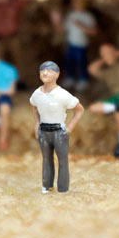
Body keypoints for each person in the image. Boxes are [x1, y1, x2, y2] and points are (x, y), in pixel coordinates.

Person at [30, 61, 85, 194]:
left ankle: (63, 188)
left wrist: (70, 128)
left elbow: (80, 110)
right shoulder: (37, 93)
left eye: (49, 71)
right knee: (46, 160)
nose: (45, 73)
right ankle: (47, 186)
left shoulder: (63, 94)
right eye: (42, 70)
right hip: (43, 131)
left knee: (62, 161)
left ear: (57, 74)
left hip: (59, 132)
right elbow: (34, 106)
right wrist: (37, 123)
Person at [88, 44, 119, 157]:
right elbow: (91, 69)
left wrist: (116, 53)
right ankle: (115, 107)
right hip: (115, 99)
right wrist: (103, 59)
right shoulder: (107, 72)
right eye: (103, 54)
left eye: (107, 53)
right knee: (93, 107)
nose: (106, 56)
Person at [50, 0, 97, 91]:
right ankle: (70, 78)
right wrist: (56, 21)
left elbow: (94, 32)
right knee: (70, 62)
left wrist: (82, 26)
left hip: (82, 44)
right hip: (71, 43)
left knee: (82, 62)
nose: (77, 4)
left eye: (79, 2)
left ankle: (83, 79)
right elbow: (63, 30)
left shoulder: (88, 16)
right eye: (75, 2)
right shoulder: (71, 15)